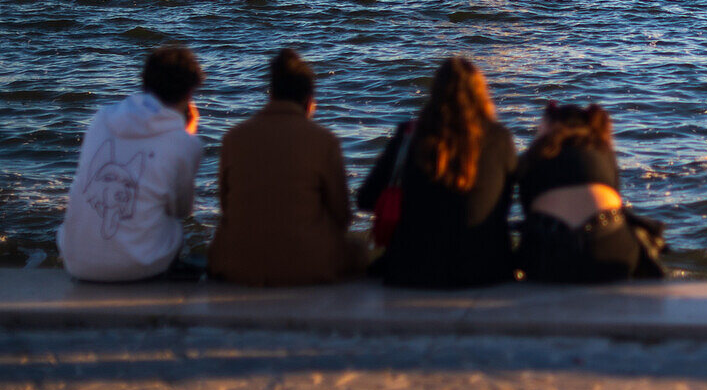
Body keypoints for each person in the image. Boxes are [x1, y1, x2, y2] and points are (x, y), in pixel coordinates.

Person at [357, 57, 516, 288]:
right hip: (483, 269)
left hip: (412, 269)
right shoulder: (500, 138)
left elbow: (366, 198)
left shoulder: (409, 135)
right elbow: (505, 203)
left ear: (435, 92)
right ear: (481, 94)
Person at [208, 48, 362, 285]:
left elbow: (226, 207)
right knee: (359, 248)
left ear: (271, 95)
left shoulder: (234, 137)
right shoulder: (323, 140)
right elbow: (341, 215)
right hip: (309, 266)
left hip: (237, 265)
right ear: (310, 101)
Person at [57, 46, 204, 282]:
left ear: (144, 81)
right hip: (140, 268)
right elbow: (181, 210)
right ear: (189, 94)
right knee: (173, 226)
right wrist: (187, 133)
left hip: (76, 263)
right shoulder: (184, 141)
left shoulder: (102, 118)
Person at [516, 102, 665, 283]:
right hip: (608, 242)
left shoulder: (537, 153)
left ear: (548, 125)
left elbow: (528, 208)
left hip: (549, 248)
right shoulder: (602, 150)